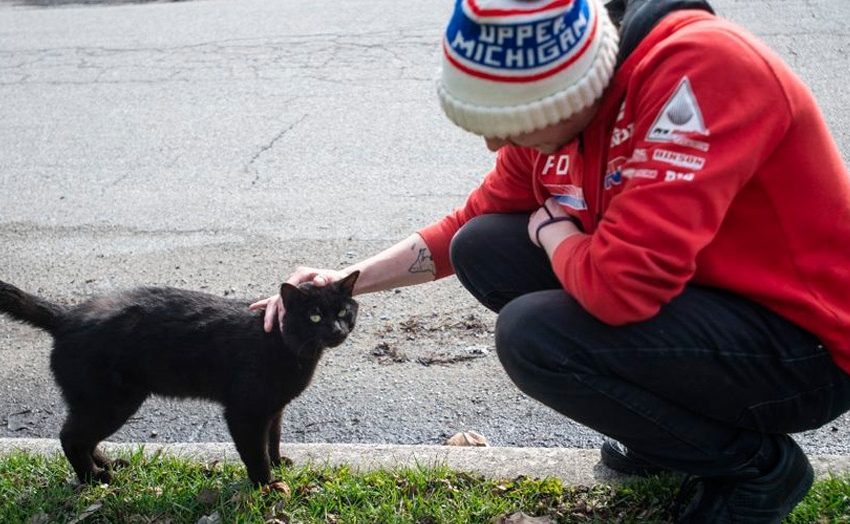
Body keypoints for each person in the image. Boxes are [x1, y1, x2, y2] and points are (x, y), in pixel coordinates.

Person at [251, 0, 850, 521]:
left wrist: (556, 236)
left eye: (508, 125)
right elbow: (462, 227)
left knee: (534, 336)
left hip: (806, 349)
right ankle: (670, 437)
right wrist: (342, 282)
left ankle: (758, 470)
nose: (495, 144)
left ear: (569, 92)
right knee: (482, 246)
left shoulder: (697, 73)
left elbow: (622, 290)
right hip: (712, 304)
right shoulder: (556, 120)